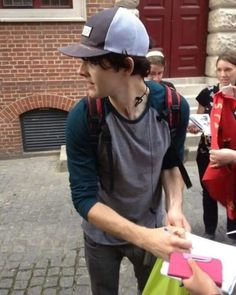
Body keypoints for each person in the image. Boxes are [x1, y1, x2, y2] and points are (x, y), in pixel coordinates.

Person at [59, 7, 192, 295]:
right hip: (101, 237)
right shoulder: (83, 117)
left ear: (127, 66)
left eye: (92, 62)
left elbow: (171, 162)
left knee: (153, 291)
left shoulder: (173, 107)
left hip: (154, 228)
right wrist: (145, 238)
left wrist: (175, 207)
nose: (80, 71)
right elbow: (83, 198)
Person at [188, 53, 236, 240]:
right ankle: (209, 229)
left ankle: (233, 229)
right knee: (208, 190)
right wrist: (195, 127)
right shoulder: (207, 93)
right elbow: (201, 122)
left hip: (232, 153)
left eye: (228, 69)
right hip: (208, 152)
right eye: (219, 69)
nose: (223, 74)